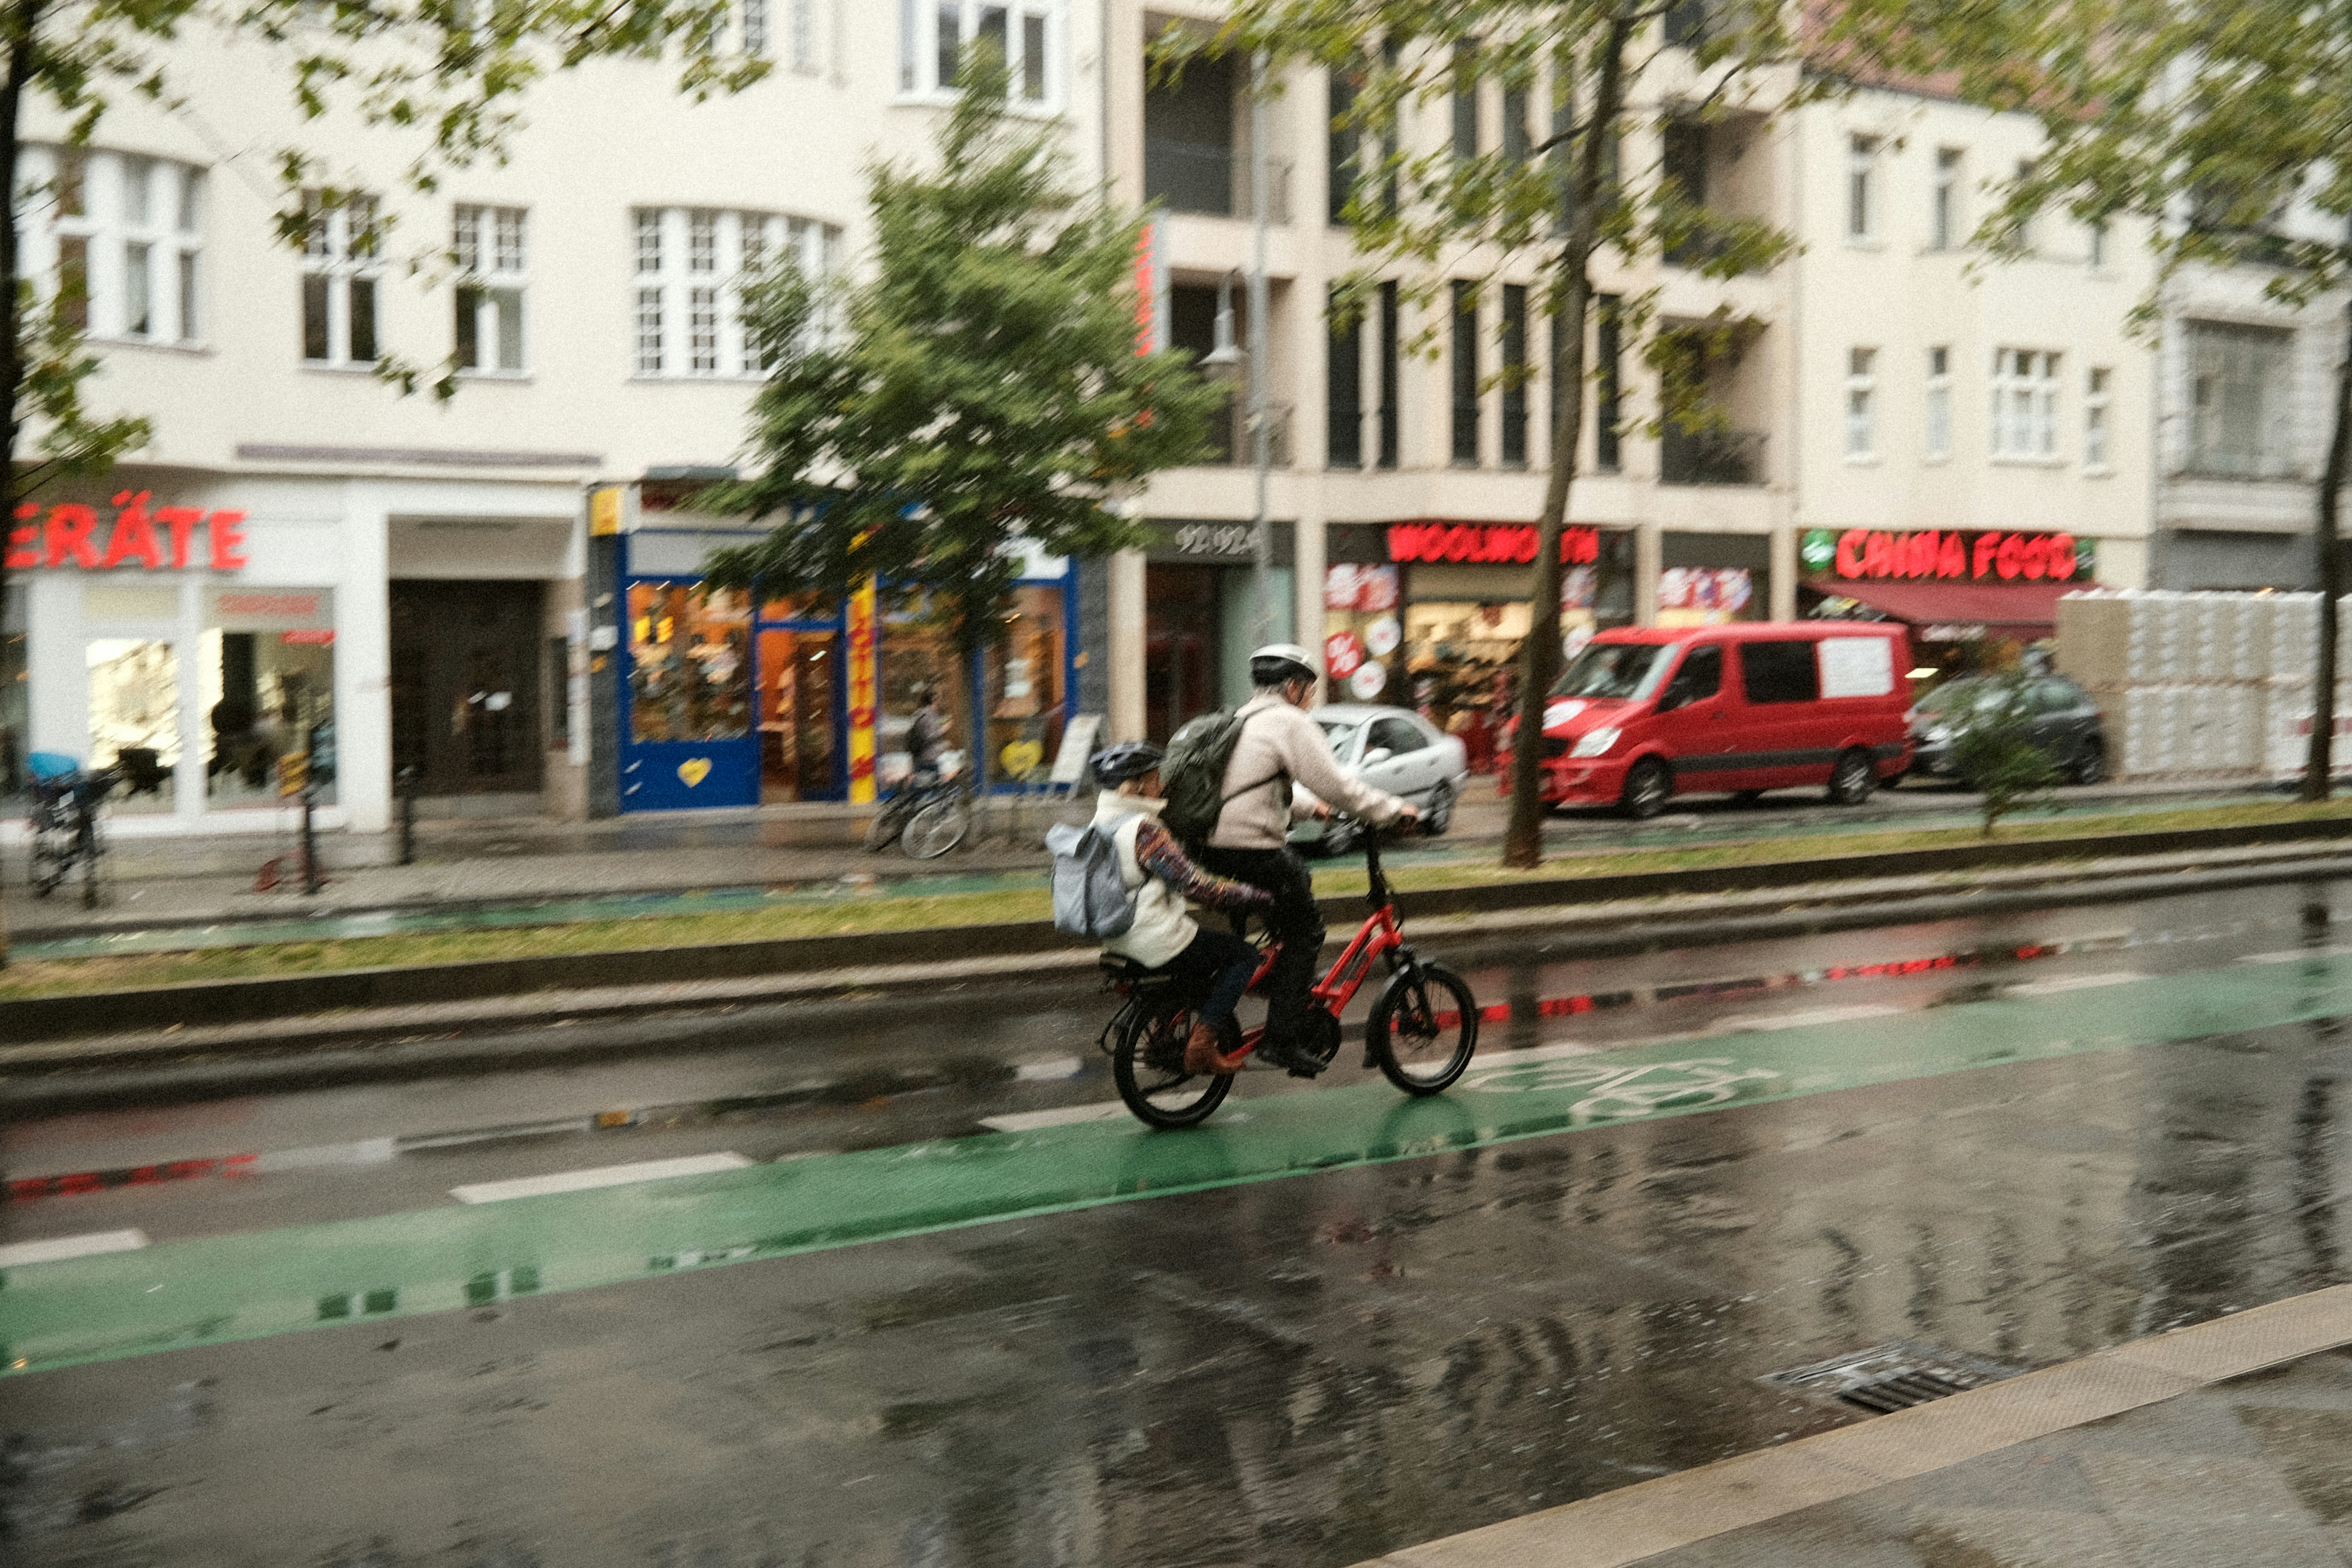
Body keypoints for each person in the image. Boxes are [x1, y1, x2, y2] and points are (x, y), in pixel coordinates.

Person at [1200, 643, 1417, 1077]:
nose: (1313, 699)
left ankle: (1287, 989)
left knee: (1290, 910)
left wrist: (1309, 807)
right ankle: (1281, 1039)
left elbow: (1259, 780)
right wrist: (1394, 811)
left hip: (1215, 846)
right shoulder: (1289, 721)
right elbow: (1339, 785)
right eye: (1312, 690)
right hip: (1251, 847)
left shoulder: (1243, 718)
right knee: (1306, 929)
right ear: (1295, 686)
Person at [1088, 741, 1274, 1076]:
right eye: (1157, 778)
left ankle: (1165, 1028)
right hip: (1153, 936)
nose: (1162, 786)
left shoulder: (1100, 823)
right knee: (1244, 955)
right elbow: (1194, 885)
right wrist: (1253, 895)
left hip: (1118, 934)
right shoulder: (1143, 831)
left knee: (1201, 961)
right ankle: (1202, 1047)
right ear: (1140, 786)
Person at [905, 684, 949, 781]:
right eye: (940, 698)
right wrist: (943, 729)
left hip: (918, 756)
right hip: (929, 758)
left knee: (920, 785)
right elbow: (930, 736)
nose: (941, 701)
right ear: (934, 699)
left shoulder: (919, 714)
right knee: (934, 787)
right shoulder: (930, 715)